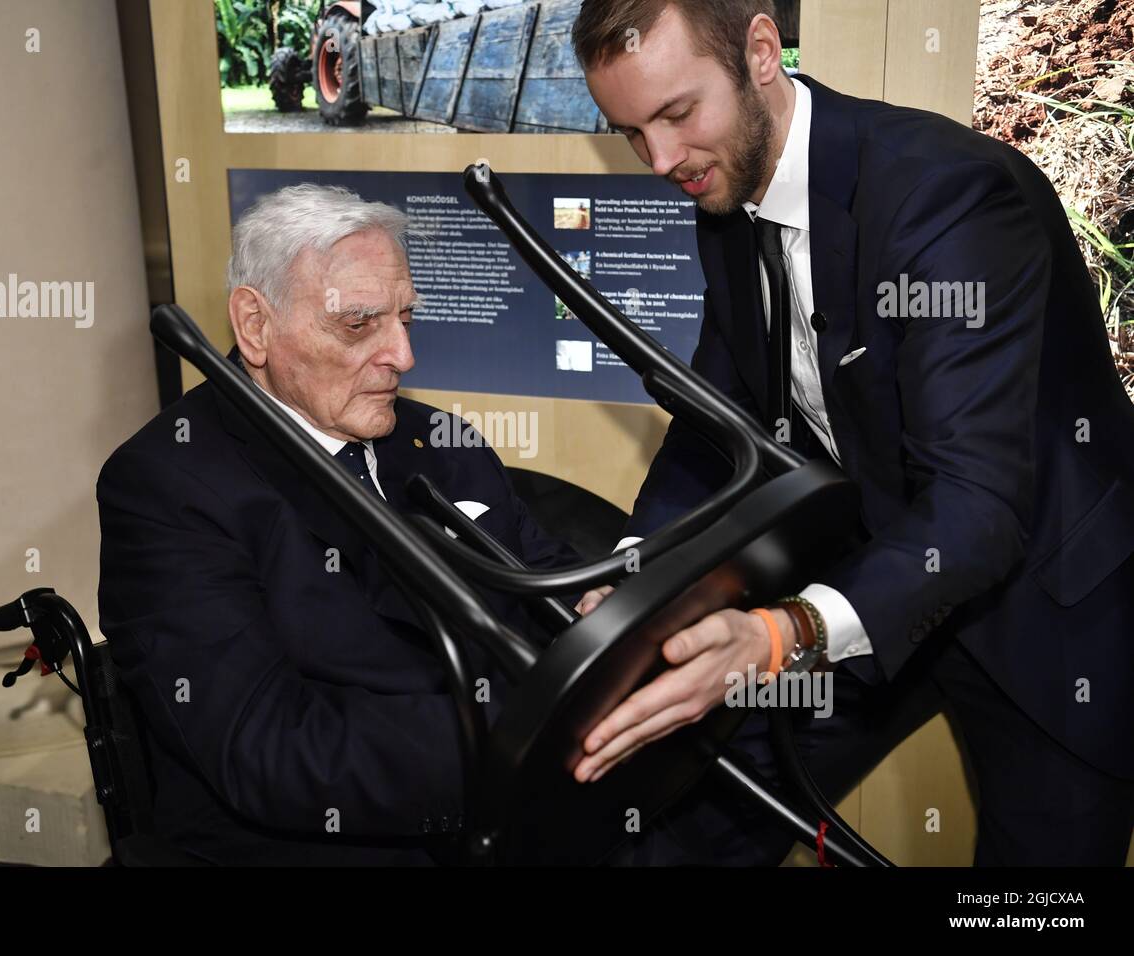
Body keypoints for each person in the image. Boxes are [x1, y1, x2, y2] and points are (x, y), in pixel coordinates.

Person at [569, 0, 1134, 864]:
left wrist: (773, 637)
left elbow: (977, 508)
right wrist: (638, 572)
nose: (662, 160)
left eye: (678, 114)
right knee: (691, 815)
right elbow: (718, 429)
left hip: (1044, 610)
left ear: (762, 51)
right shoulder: (722, 191)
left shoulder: (951, 196)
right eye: (631, 133)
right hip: (867, 581)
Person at [96, 184, 578, 865]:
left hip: (505, 815)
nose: (403, 357)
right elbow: (267, 747)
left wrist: (603, 615)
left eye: (406, 318)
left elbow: (538, 573)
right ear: (256, 326)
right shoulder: (168, 485)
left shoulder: (436, 439)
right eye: (359, 325)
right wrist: (534, 735)